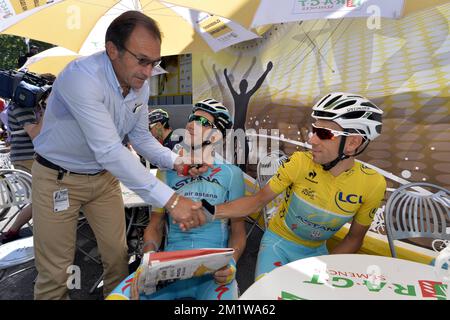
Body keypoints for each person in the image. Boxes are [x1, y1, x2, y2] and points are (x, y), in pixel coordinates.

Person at [31, 11, 208, 300]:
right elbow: (109, 149)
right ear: (112, 49)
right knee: (57, 274)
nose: (148, 71)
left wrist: (178, 161)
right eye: (142, 60)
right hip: (57, 180)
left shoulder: (141, 83)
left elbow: (139, 138)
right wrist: (172, 200)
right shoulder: (82, 78)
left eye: (154, 62)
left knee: (117, 259)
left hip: (103, 179)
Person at [208, 92, 387, 281]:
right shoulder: (300, 162)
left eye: (323, 133)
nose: (312, 140)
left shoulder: (373, 184)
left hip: (317, 252)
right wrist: (207, 210)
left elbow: (354, 239)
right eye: (313, 130)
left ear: (352, 142)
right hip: (278, 244)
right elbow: (256, 202)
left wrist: (326, 269)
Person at [108, 99, 246, 300]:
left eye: (201, 121)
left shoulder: (231, 174)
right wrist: (147, 258)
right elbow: (155, 225)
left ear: (216, 135)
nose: (190, 124)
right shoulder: (168, 171)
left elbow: (238, 231)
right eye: (192, 118)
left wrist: (232, 263)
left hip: (213, 272)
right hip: (168, 268)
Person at [0, 74, 55, 244]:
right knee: (48, 195)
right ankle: (12, 231)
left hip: (32, 157)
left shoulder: (28, 104)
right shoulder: (21, 106)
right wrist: (48, 109)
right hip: (27, 159)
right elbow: (36, 134)